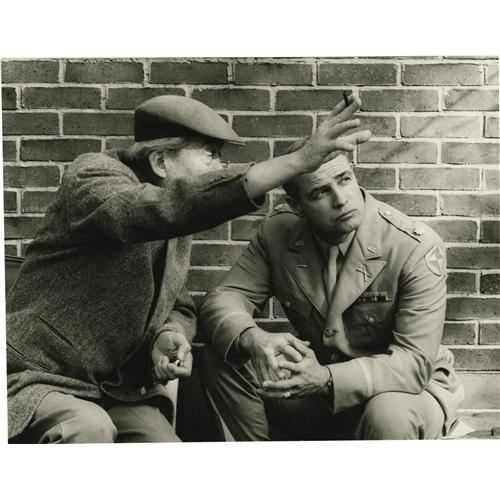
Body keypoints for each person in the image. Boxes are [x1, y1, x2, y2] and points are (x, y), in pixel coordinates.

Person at [6, 94, 372, 443]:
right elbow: (143, 210)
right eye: (210, 155)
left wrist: (168, 333)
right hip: (38, 377)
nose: (220, 168)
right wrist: (297, 161)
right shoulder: (92, 177)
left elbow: (178, 303)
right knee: (88, 428)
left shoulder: (177, 223)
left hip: (114, 390)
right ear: (160, 162)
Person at [198, 145, 465, 440]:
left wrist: (327, 378)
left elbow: (412, 364)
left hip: (407, 390)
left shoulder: (413, 246)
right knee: (224, 355)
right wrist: (253, 338)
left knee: (387, 413)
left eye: (344, 179)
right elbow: (224, 298)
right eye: (320, 193)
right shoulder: (278, 234)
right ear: (297, 206)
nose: (341, 199)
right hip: (320, 386)